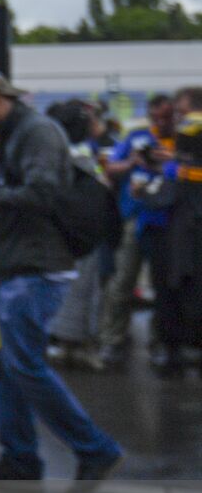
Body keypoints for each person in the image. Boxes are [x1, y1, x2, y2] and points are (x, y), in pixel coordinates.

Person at [0, 69, 123, 485]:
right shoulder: (19, 131)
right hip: (19, 263)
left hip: (37, 267)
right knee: (6, 365)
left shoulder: (37, 131)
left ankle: (94, 448)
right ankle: (21, 457)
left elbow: (43, 192)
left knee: (22, 365)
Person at [98, 93, 175, 368]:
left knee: (164, 287)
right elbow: (110, 169)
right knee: (122, 282)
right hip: (135, 219)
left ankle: (161, 342)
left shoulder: (183, 142)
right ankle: (112, 341)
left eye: (165, 118)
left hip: (169, 222)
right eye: (155, 117)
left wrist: (169, 162)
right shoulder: (137, 138)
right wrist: (132, 162)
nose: (160, 123)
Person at [132, 113, 202, 374]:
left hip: (177, 246)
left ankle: (173, 357)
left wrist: (141, 190)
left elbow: (158, 198)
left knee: (171, 299)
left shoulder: (179, 170)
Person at [45, 100, 112, 372]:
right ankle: (70, 344)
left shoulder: (80, 154)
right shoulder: (69, 156)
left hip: (82, 233)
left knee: (85, 291)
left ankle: (77, 344)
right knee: (76, 291)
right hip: (74, 234)